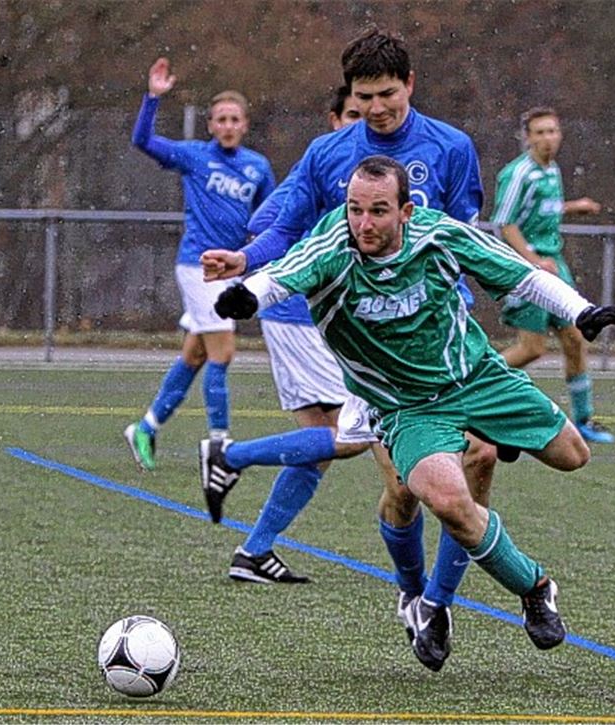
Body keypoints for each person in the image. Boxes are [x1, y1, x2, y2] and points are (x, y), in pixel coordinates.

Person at [213, 156, 615, 669]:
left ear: (407, 211)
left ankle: (431, 595)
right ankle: (532, 587)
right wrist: (246, 297)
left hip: (477, 377)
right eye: (355, 210)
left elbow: (521, 276)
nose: (364, 224)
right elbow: (280, 276)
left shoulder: (438, 234)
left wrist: (581, 311)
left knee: (573, 456)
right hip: (405, 406)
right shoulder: (333, 246)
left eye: (378, 211)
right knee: (445, 500)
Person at [197, 27, 497, 670]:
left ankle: (436, 605)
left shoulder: (451, 148)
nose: (378, 108)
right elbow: (284, 225)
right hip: (371, 350)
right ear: (350, 96)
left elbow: (468, 241)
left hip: (447, 341)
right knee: (403, 487)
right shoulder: (329, 153)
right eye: (365, 97)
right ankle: (411, 589)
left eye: (388, 93)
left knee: (480, 460)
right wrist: (246, 260)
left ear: (410, 84)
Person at [202, 84, 380, 585]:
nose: (362, 121)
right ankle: (229, 455)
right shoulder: (325, 165)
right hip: (299, 313)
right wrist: (321, 236)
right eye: (352, 113)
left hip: (328, 319)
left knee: (320, 447)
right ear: (333, 119)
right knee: (351, 440)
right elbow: (265, 221)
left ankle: (254, 551)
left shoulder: (375, 177)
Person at [123, 57, 275, 470]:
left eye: (234, 119)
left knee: (195, 356)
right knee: (223, 352)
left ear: (244, 125)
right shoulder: (193, 157)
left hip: (229, 271)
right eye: (220, 119)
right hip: (198, 267)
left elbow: (269, 219)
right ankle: (220, 445)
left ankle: (146, 428)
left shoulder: (257, 167)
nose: (227, 125)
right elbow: (142, 140)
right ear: (210, 125)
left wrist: (261, 257)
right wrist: (153, 99)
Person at [494, 107, 615, 444]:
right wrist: (531, 260)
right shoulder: (517, 173)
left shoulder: (552, 171)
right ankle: (472, 390)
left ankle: (584, 419)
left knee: (575, 339)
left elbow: (543, 208)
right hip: (526, 267)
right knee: (531, 348)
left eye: (552, 131)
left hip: (553, 263)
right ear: (528, 137)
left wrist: (575, 206)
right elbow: (506, 223)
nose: (548, 138)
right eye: (540, 132)